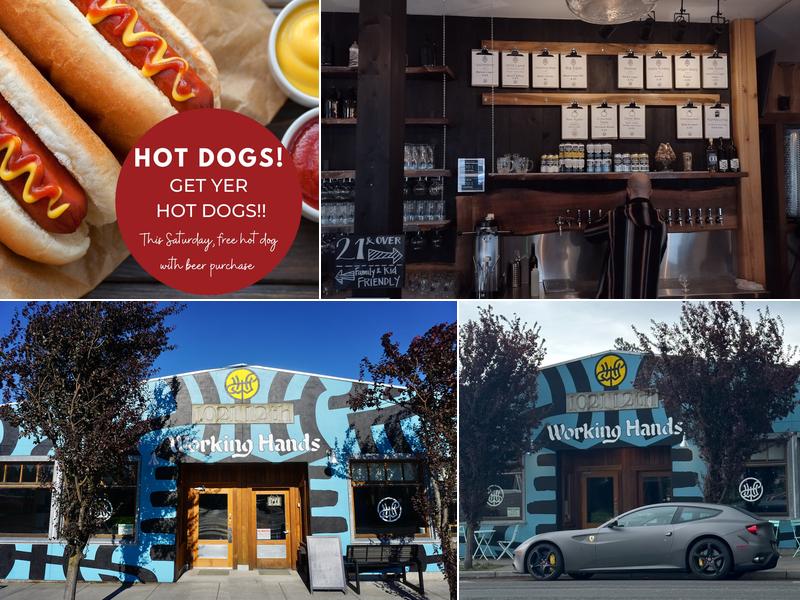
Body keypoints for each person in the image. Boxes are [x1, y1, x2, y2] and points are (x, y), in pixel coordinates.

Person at [584, 173, 668, 299]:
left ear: (628, 191)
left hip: (616, 298)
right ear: (650, 192)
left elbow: (589, 234)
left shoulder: (616, 217)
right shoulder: (661, 223)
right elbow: (659, 256)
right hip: (646, 299)